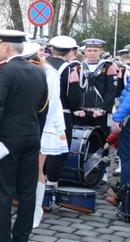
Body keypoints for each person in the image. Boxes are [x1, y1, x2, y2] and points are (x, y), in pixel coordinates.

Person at [0, 30, 48, 242]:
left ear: (6, 47)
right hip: (31, 136)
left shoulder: (3, 71)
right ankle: (22, 237)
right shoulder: (38, 71)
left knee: (2, 190)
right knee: (27, 190)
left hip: (7, 139)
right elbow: (43, 107)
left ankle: (1, 239)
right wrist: (36, 131)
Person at [22, 43, 68, 228]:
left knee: (37, 167)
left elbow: (51, 105)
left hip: (44, 125)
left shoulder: (50, 72)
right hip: (26, 125)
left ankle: (36, 209)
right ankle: (27, 205)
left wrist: (37, 127)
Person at [43, 35, 81, 210]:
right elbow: (73, 95)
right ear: (69, 52)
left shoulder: (41, 64)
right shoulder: (70, 69)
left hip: (40, 113)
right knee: (58, 152)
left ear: (51, 49)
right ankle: (51, 188)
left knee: (41, 149)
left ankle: (39, 186)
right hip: (62, 115)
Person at [75, 38, 117, 138]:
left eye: (95, 51)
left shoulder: (108, 67)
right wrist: (76, 109)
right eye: (89, 51)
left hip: (100, 112)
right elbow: (74, 90)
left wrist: (103, 110)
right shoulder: (78, 67)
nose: (92, 53)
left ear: (101, 51)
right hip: (82, 112)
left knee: (101, 140)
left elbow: (111, 91)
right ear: (85, 51)